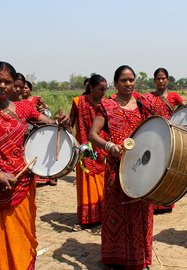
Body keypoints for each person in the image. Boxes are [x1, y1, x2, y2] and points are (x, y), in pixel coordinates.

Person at [0, 61, 70, 269]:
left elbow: (51, 125)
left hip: (22, 187)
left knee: (22, 238)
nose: (2, 86)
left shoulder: (23, 108)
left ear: (14, 84)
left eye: (7, 82)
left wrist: (63, 122)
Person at [89, 65, 154, 270]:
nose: (128, 84)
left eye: (131, 80)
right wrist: (110, 146)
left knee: (141, 209)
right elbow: (93, 135)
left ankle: (139, 257)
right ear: (116, 83)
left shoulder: (144, 104)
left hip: (142, 167)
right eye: (123, 80)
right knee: (118, 211)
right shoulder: (106, 106)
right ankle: (115, 257)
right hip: (117, 169)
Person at [144, 67, 187, 214]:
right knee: (153, 166)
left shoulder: (174, 96)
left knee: (167, 166)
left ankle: (166, 202)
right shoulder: (148, 97)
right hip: (154, 134)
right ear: (154, 80)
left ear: (167, 80)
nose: (161, 81)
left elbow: (185, 111)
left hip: (171, 135)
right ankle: (153, 203)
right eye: (158, 78)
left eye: (163, 78)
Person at [69, 74, 108, 231]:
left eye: (106, 89)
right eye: (101, 89)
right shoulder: (78, 102)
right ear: (91, 88)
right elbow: (70, 124)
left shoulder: (107, 104)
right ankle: (86, 219)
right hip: (84, 149)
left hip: (103, 149)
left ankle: (104, 215)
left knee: (103, 183)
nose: (104, 92)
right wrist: (72, 141)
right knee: (86, 183)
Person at [22, 80, 57, 186]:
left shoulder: (36, 100)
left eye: (26, 88)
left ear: (30, 90)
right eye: (21, 87)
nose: (23, 89)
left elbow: (47, 112)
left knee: (43, 151)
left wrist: (42, 110)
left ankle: (50, 176)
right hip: (25, 130)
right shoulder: (16, 102)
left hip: (38, 127)